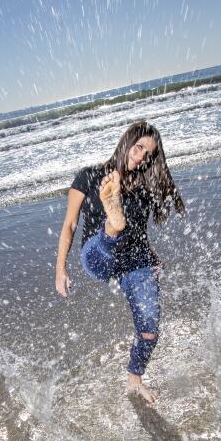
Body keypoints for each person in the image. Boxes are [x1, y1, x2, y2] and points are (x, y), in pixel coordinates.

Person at [55, 121, 185, 403]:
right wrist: (60, 269)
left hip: (135, 261)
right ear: (127, 141)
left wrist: (152, 255)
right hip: (98, 253)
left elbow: (140, 232)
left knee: (149, 330)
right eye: (138, 148)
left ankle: (134, 380)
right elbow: (70, 224)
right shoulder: (88, 177)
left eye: (148, 155)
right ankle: (112, 224)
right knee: (107, 239)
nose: (140, 157)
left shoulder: (144, 190)